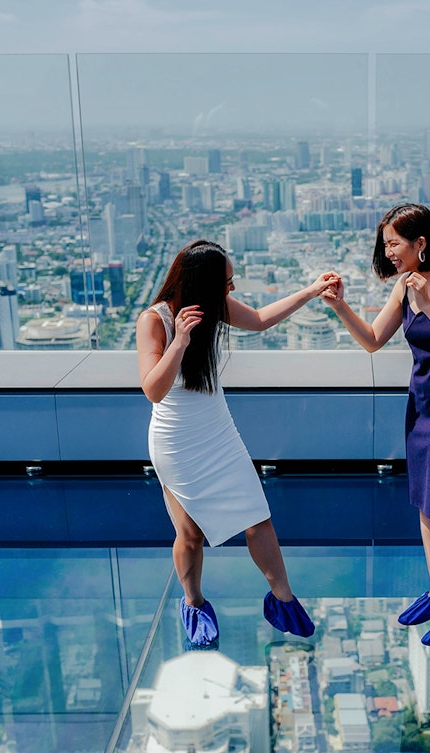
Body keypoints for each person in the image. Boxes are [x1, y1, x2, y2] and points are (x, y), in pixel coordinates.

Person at [137, 239, 339, 647]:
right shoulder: (154, 320)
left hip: (218, 433)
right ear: (201, 283)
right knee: (190, 534)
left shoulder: (215, 306)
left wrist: (311, 290)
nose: (231, 289)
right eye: (225, 282)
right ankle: (193, 603)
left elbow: (262, 319)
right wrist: (179, 341)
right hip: (176, 442)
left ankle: (283, 600)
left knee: (257, 518)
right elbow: (153, 390)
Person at [323, 203, 430, 647]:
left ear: (421, 241)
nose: (388, 251)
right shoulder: (402, 285)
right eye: (385, 244)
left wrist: (428, 305)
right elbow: (373, 340)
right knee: (424, 501)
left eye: (394, 242)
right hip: (421, 404)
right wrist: (340, 306)